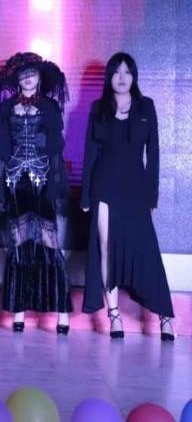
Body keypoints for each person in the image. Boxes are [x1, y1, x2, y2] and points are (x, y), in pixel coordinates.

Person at [81, 52, 174, 341]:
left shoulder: (147, 106)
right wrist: (85, 196)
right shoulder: (98, 108)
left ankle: (165, 317)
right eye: (116, 72)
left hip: (136, 188)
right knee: (105, 247)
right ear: (109, 77)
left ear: (134, 77)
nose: (122, 78)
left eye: (127, 72)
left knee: (146, 250)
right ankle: (114, 316)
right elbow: (89, 154)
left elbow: (153, 154)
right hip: (104, 186)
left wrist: (152, 197)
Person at [0, 52, 72, 333]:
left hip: (43, 181)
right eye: (22, 74)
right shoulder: (7, 107)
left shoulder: (50, 107)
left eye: (32, 73)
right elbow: (1, 149)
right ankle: (19, 312)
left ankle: (62, 313)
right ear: (16, 79)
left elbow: (56, 150)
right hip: (14, 183)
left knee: (49, 243)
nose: (27, 78)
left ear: (40, 76)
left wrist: (56, 185)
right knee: (18, 245)